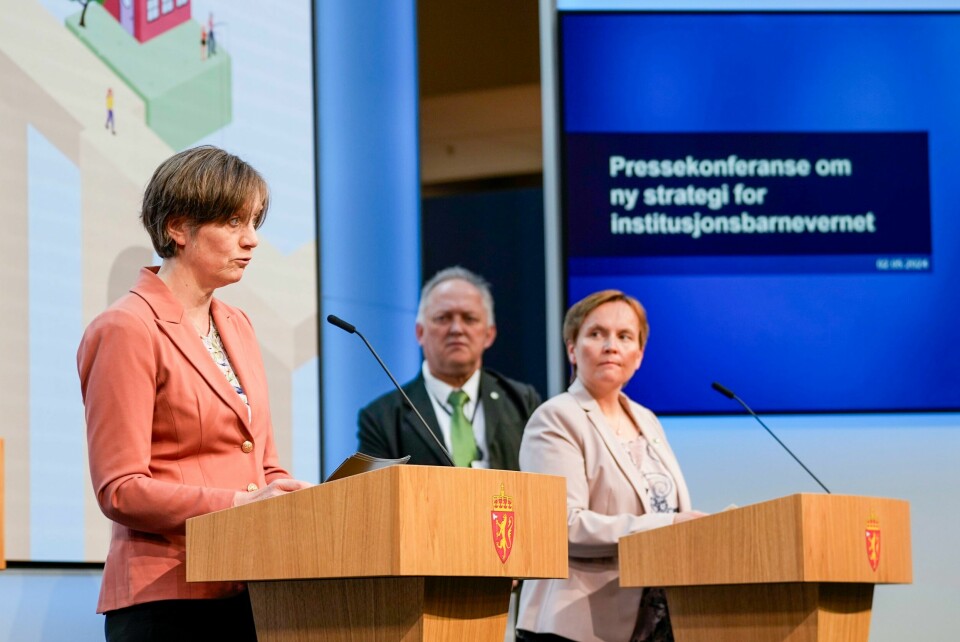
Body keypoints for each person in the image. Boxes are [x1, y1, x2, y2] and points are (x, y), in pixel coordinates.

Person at [77, 145, 312, 642]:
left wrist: (299, 501)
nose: (251, 241)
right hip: (167, 599)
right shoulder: (127, 327)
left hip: (250, 590)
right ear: (178, 228)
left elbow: (262, 464)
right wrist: (238, 505)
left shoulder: (238, 324)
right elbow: (119, 487)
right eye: (232, 222)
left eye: (254, 223)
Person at [515, 290, 706, 642]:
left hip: (659, 619)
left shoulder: (646, 419)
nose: (610, 346)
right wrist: (669, 525)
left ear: (639, 355)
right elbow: (563, 525)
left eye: (624, 336)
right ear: (572, 349)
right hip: (578, 623)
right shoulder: (557, 418)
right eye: (596, 334)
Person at [357, 266, 541, 470]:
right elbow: (375, 495)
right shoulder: (382, 417)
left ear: (489, 334)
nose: (457, 329)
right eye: (443, 318)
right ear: (420, 332)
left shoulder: (522, 401)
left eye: (469, 319)